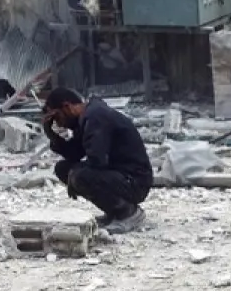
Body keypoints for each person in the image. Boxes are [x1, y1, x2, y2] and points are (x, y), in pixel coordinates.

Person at [41, 87, 152, 233]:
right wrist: (52, 135)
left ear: (67, 107)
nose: (60, 124)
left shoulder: (96, 117)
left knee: (79, 176)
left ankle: (128, 213)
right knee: (63, 169)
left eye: (58, 118)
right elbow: (75, 154)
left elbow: (97, 160)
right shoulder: (87, 117)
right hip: (120, 175)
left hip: (134, 180)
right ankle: (114, 212)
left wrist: (75, 174)